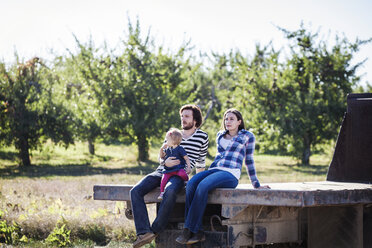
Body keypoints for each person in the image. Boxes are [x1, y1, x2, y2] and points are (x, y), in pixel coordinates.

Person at [176, 108, 270, 245]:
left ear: (239, 121)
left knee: (203, 186)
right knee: (191, 184)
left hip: (231, 174)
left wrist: (256, 184)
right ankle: (198, 231)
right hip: (215, 169)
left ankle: (188, 229)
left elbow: (249, 161)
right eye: (226, 119)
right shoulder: (220, 135)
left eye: (232, 119)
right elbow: (219, 157)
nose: (228, 121)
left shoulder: (247, 136)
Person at [130, 104, 209, 248]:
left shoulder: (202, 137)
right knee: (135, 190)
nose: (183, 119)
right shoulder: (172, 133)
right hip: (162, 170)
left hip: (179, 174)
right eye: (182, 116)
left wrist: (199, 182)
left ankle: (155, 230)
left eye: (186, 117)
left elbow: (201, 163)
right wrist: (164, 161)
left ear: (195, 120)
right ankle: (143, 232)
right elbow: (161, 155)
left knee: (170, 191)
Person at [158, 128, 191, 200]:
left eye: (167, 140)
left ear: (173, 141)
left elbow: (186, 158)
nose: (166, 142)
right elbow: (161, 156)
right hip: (169, 170)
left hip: (178, 169)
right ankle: (162, 192)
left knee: (182, 173)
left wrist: (188, 167)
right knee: (163, 180)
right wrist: (161, 149)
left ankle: (187, 182)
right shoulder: (168, 149)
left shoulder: (180, 149)